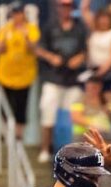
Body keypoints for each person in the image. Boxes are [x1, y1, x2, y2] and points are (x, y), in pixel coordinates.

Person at [36, 0, 87, 162]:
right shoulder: (50, 26)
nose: (65, 9)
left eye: (68, 6)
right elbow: (39, 48)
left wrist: (80, 58)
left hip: (73, 79)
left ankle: (72, 154)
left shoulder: (80, 27)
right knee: (47, 112)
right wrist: (51, 57)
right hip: (53, 77)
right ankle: (45, 148)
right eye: (62, 6)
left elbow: (86, 49)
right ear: (58, 8)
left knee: (73, 118)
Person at [0, 1, 40, 140]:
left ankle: (19, 134)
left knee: (21, 106)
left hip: (24, 75)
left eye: (19, 13)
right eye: (14, 13)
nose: (17, 16)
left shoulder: (31, 29)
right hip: (5, 74)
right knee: (4, 105)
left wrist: (25, 36)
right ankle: (4, 131)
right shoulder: (6, 29)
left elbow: (33, 48)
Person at [81, 0, 111, 97]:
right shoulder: (95, 29)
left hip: (108, 73)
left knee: (108, 100)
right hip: (92, 70)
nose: (104, 21)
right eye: (101, 18)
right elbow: (84, 12)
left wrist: (99, 73)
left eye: (106, 18)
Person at [70, 71, 111, 139]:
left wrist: (109, 111)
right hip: (83, 134)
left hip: (104, 134)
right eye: (90, 87)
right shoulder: (80, 100)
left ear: (100, 87)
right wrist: (93, 123)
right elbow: (75, 118)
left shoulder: (108, 99)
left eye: (95, 87)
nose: (92, 90)